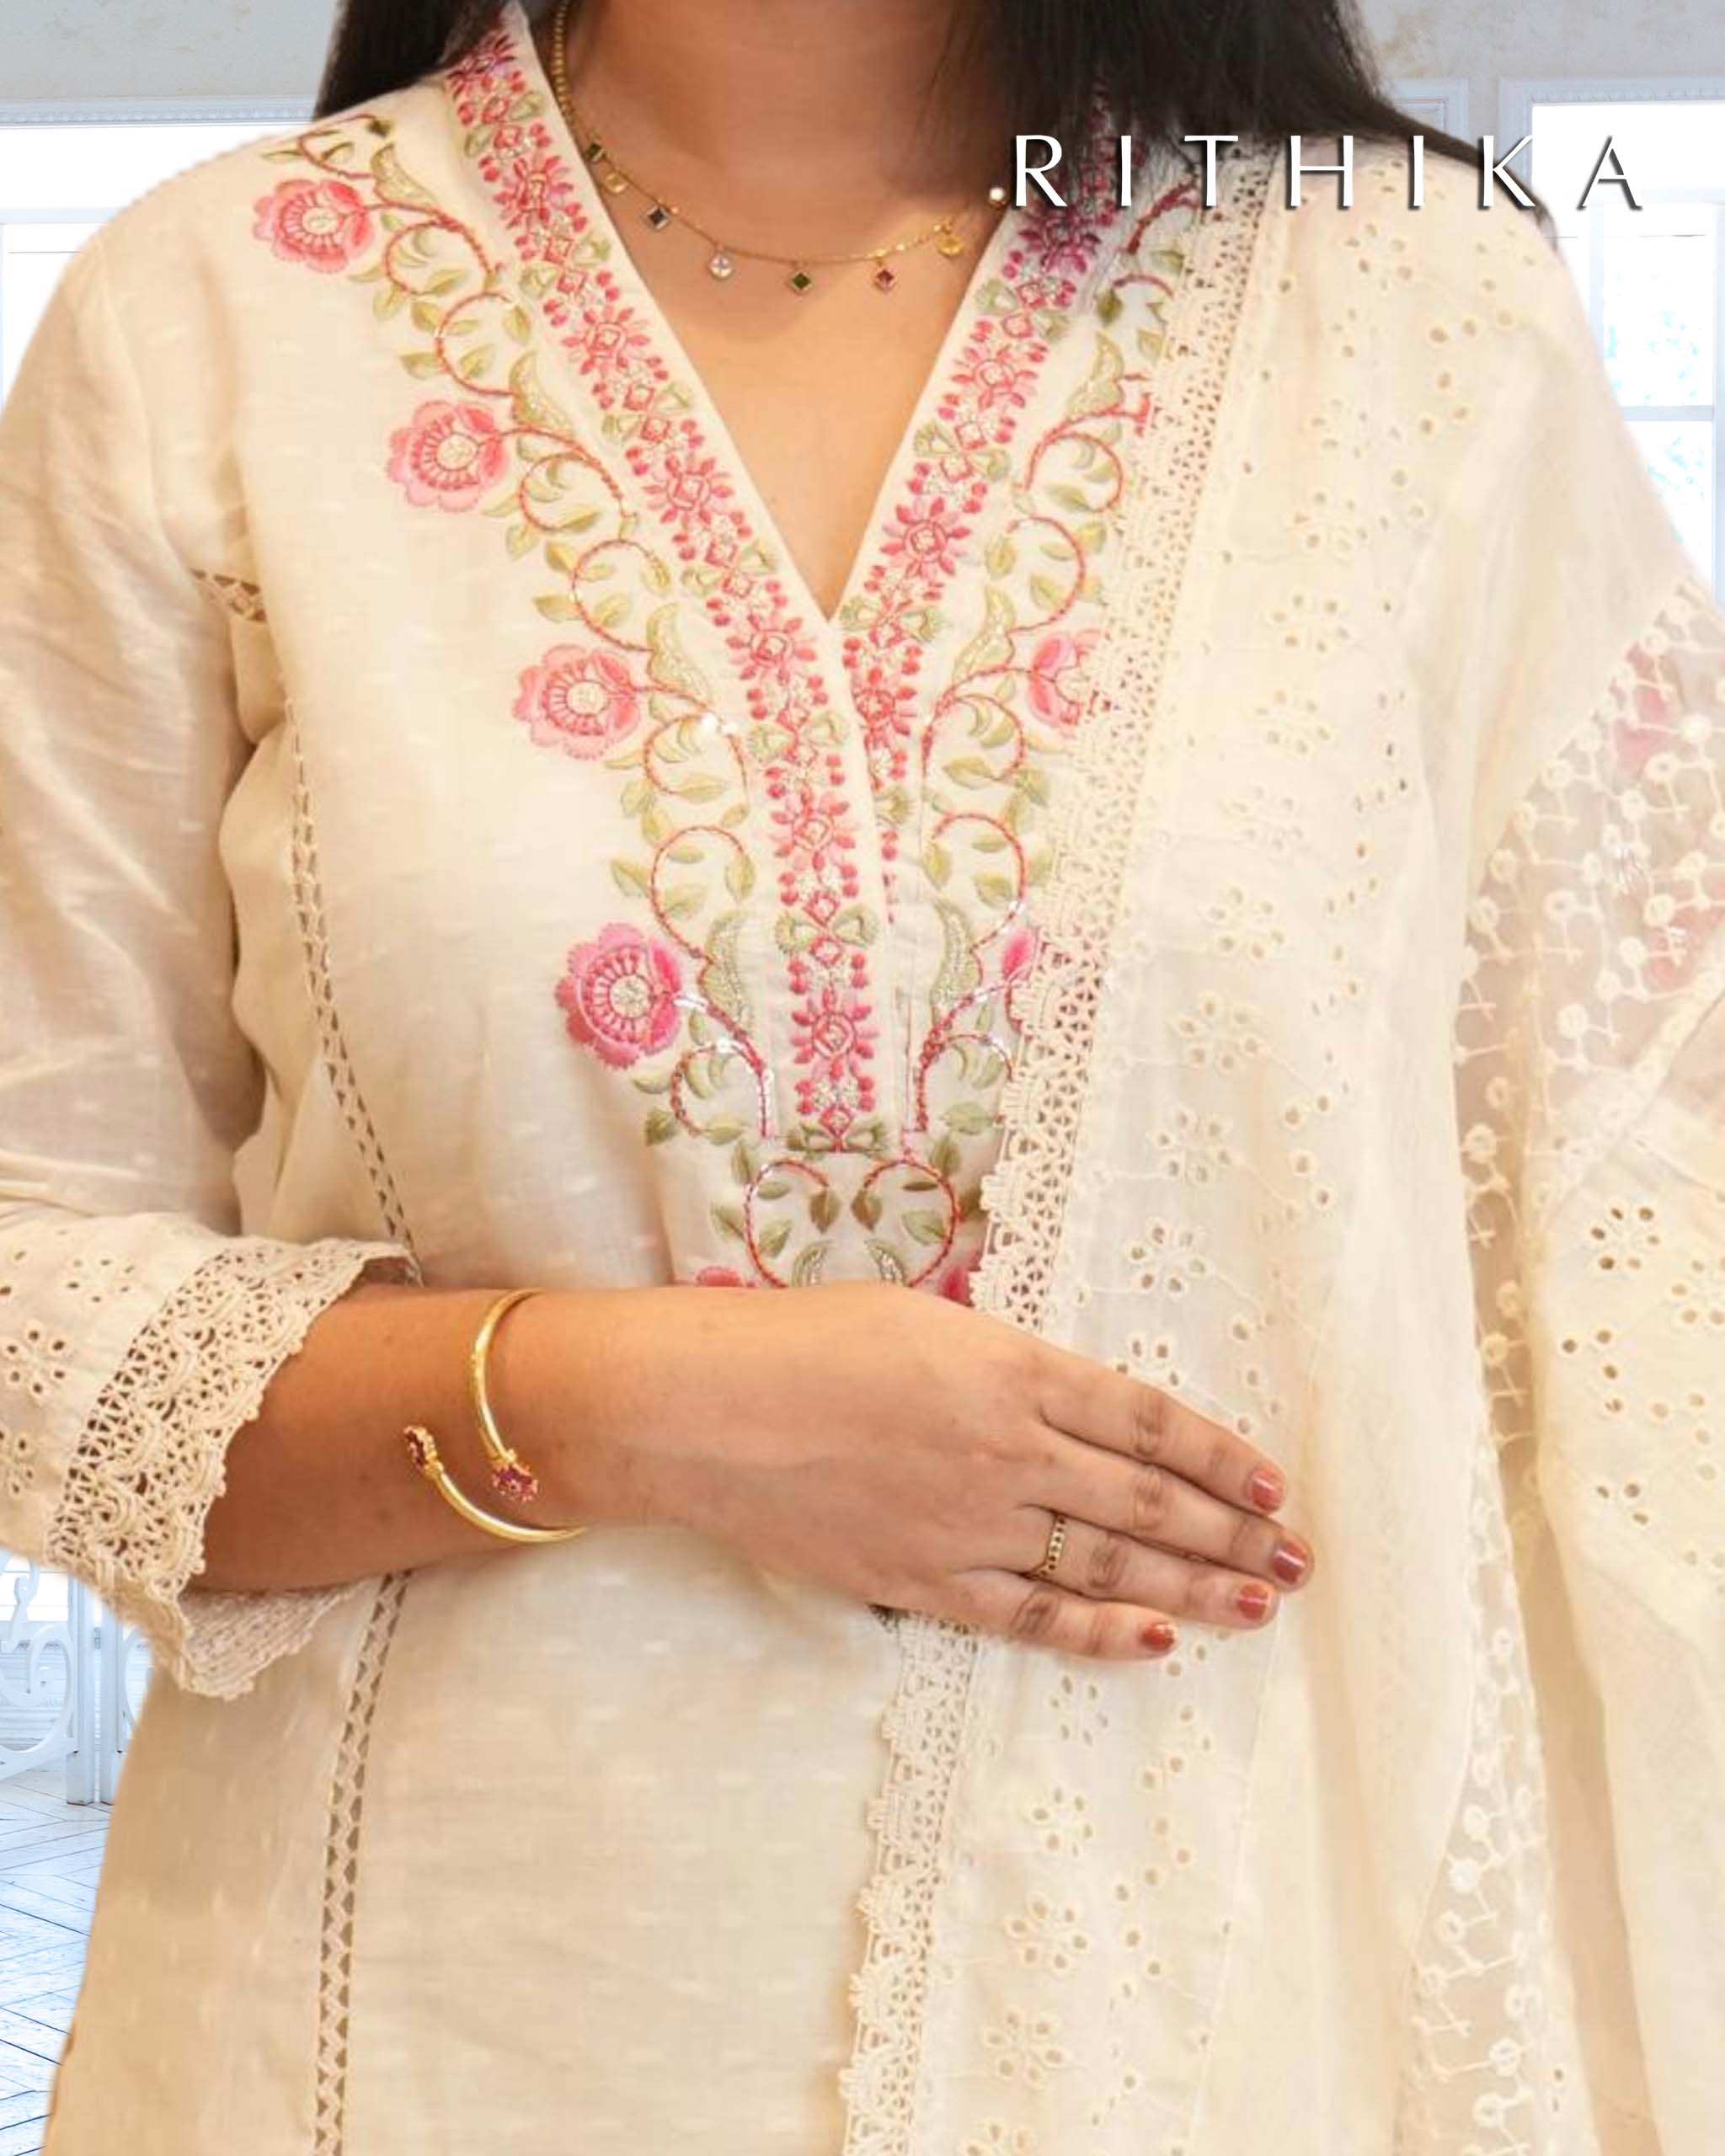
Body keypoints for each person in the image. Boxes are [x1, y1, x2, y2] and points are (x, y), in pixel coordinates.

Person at [1, 0, 1719, 2147]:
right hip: (421, 2022)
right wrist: (642, 1401)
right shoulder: (214, 314)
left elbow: (1655, 1267)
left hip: (1217, 2009)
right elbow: (30, 1276)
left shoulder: (1415, 319)